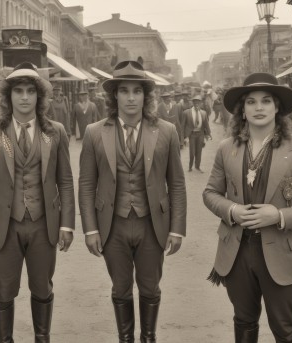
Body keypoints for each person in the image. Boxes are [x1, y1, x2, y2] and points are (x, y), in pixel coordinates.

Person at [203, 72, 292, 343]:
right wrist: (231, 211)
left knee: (287, 331)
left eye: (266, 101)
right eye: (251, 102)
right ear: (243, 110)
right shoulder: (227, 148)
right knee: (244, 322)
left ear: (277, 107)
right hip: (237, 253)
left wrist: (279, 215)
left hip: (282, 254)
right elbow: (210, 193)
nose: (259, 107)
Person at [78, 60, 186, 342]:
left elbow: (176, 183)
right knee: (120, 287)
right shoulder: (94, 132)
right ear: (114, 95)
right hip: (113, 225)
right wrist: (90, 229)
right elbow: (87, 184)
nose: (130, 97)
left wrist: (176, 229)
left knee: (150, 288)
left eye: (136, 91)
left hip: (152, 223)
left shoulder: (166, 131)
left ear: (145, 96)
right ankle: (125, 338)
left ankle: (148, 337)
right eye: (123, 91)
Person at [0, 62, 75, 342]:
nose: (25, 97)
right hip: (4, 225)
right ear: (8, 96)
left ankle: (42, 337)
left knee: (42, 287)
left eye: (31, 91)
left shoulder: (55, 132)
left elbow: (65, 181)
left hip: (43, 223)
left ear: (40, 96)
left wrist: (67, 225)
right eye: (18, 91)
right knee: (4, 290)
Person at [182, 94, 212, 173]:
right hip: (191, 135)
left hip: (200, 134)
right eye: (195, 102)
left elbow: (206, 124)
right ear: (192, 103)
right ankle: (190, 166)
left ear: (200, 103)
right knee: (192, 152)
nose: (196, 104)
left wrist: (208, 134)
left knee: (199, 151)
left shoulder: (203, 113)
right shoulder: (186, 113)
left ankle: (197, 167)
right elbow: (183, 126)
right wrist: (184, 137)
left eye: (198, 102)